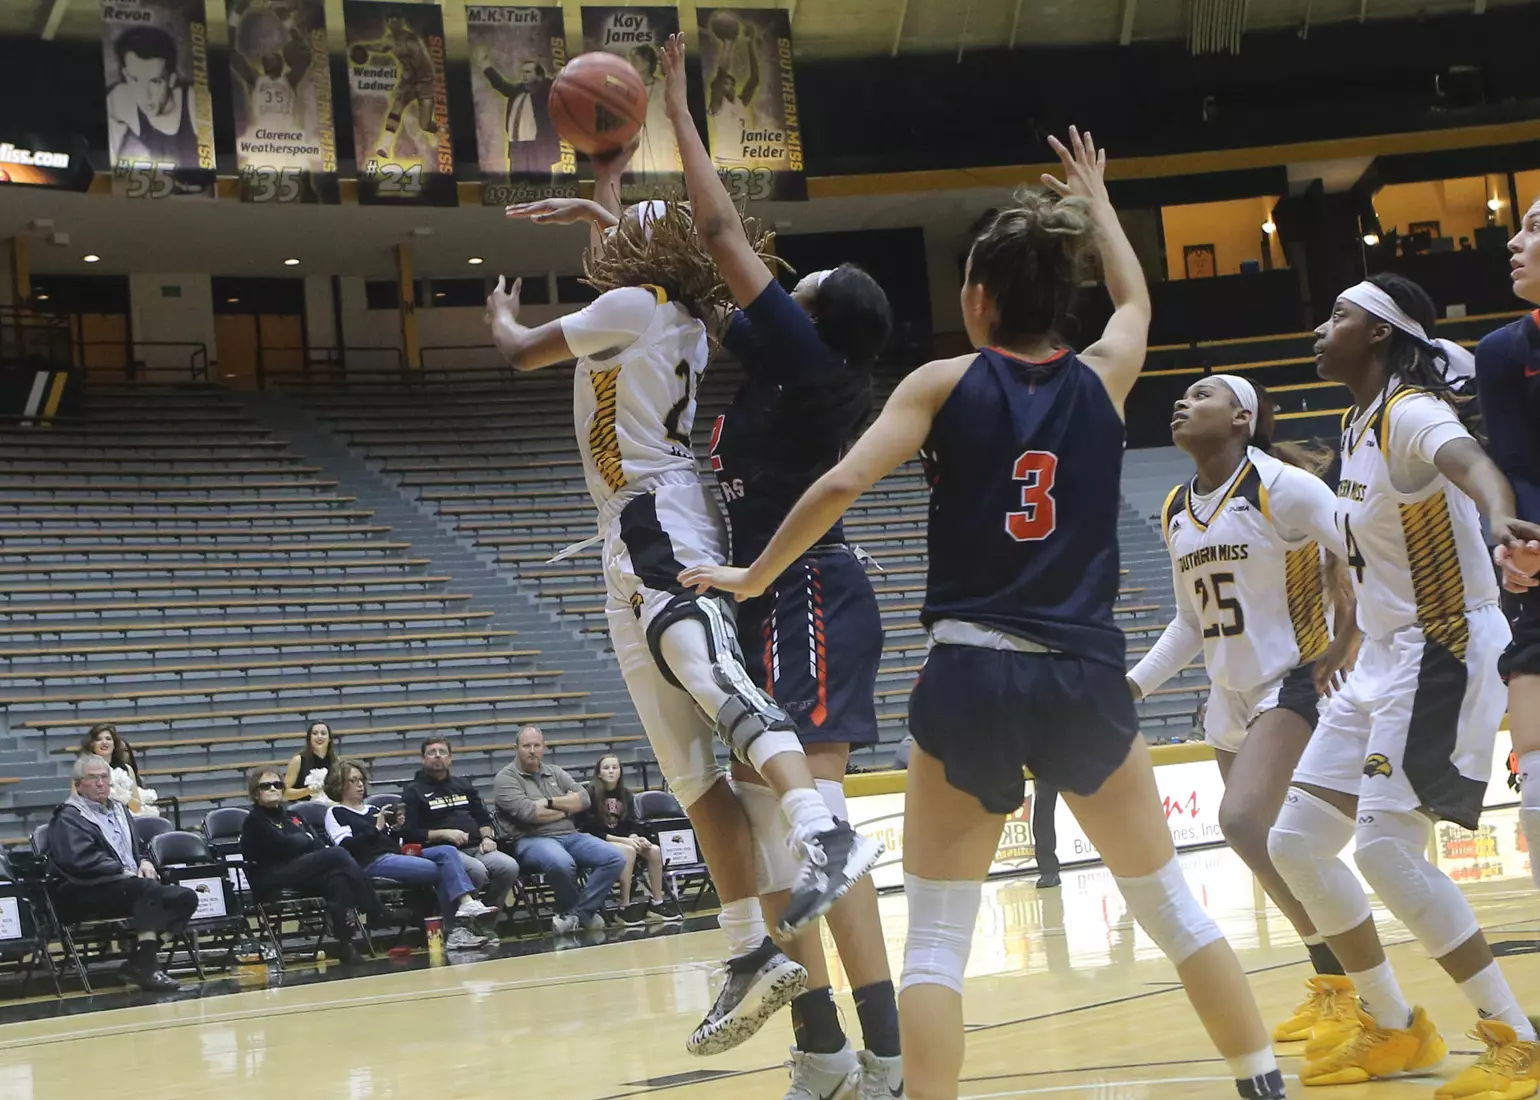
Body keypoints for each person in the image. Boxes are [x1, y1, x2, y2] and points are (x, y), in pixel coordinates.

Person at [683, 127, 1290, 1100]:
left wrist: (755, 573)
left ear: (976, 298)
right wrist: (1097, 197)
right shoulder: (1105, 377)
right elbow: (1136, 300)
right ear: (1061, 299)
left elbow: (839, 480)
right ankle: (1261, 1080)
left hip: (969, 668)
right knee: (1171, 904)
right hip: (1083, 675)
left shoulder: (941, 381)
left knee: (934, 937)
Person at [493, 130, 879, 1054]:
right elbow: (661, 252)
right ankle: (751, 950)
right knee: (687, 767)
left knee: (712, 683)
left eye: (622, 236)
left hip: (663, 515)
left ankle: (820, 830)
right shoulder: (680, 313)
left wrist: (499, 319)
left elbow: (524, 349)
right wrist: (607, 193)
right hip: (628, 529)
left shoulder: (651, 305)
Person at [660, 35, 904, 1099]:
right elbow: (691, 284)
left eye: (795, 291)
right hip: (772, 591)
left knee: (820, 839)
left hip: (806, 587)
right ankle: (828, 1054)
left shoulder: (808, 362)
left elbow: (716, 230)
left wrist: (673, 102)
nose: (778, 296)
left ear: (817, 324)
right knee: (780, 833)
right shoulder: (775, 360)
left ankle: (887, 1062)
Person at [1264, 273, 1540, 1094]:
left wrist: (1498, 513)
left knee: (1385, 850)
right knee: (1294, 845)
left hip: (1444, 646)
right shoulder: (1352, 428)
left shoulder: (1409, 413)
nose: (1322, 326)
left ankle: (1516, 1040)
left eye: (1340, 315)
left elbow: (1472, 463)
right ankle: (1393, 1028)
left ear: (1381, 333)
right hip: (1383, 657)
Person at [1126, 372, 1364, 1041]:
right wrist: (1133, 686)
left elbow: (1361, 550)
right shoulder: (1177, 506)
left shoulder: (1281, 487)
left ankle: (1358, 988)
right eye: (1183, 397)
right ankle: (1337, 986)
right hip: (1227, 695)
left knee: (1241, 821)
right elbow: (1187, 624)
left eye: (1203, 395)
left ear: (1242, 417)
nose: (1183, 402)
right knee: (1270, 851)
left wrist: (1350, 635)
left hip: (1294, 680)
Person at [1476, 195, 1540, 892]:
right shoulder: (1501, 352)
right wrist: (1524, 545)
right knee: (1538, 790)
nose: (1513, 242)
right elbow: (1518, 467)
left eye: (1535, 228)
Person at [46, 754, 196, 992]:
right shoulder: (69, 816)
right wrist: (124, 871)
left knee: (185, 898)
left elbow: (135, 847)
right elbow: (79, 861)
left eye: (104, 777)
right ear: (78, 785)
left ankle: (139, 961)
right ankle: (149, 969)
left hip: (124, 887)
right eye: (93, 778)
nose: (100, 783)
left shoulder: (119, 810)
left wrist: (145, 860)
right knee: (147, 889)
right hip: (83, 890)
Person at [239, 768, 411, 966]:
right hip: (271, 876)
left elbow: (316, 843)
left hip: (301, 870)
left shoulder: (292, 816)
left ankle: (345, 945)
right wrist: (303, 840)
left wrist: (302, 841)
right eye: (265, 785)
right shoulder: (254, 822)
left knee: (337, 879)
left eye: (277, 784)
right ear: (255, 792)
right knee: (337, 854)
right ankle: (376, 910)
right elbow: (285, 845)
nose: (272, 788)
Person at [323, 760, 498, 950]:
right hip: (371, 862)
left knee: (447, 852)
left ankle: (465, 905)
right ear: (339, 785)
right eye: (352, 780)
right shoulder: (336, 812)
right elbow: (346, 847)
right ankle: (455, 930)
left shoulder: (373, 810)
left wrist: (397, 828)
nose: (359, 784)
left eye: (361, 780)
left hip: (396, 855)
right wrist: (377, 828)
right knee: (441, 870)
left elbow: (392, 841)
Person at [492, 726, 625, 933]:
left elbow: (584, 799)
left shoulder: (555, 771)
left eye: (537, 745)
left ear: (544, 747)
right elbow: (528, 814)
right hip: (531, 839)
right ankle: (578, 912)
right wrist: (566, 809)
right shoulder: (505, 778)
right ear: (516, 748)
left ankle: (578, 914)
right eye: (527, 746)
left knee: (615, 857)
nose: (532, 750)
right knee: (561, 862)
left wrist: (548, 802)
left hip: (570, 835)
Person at [400, 738, 520, 915]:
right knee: (477, 871)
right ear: (424, 759)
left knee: (509, 867)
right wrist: (444, 834)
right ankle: (462, 922)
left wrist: (487, 837)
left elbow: (482, 817)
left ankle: (485, 918)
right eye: (432, 753)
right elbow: (411, 833)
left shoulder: (463, 785)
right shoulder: (413, 791)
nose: (437, 756)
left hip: (476, 846)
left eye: (442, 752)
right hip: (443, 851)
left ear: (450, 758)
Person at [577, 753, 677, 924]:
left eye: (615, 768)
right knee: (629, 851)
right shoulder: (590, 794)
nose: (611, 772)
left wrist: (636, 837)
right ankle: (624, 907)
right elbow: (591, 830)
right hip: (599, 842)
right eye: (606, 768)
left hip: (624, 840)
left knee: (653, 850)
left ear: (620, 772)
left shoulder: (626, 795)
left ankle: (657, 902)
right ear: (599, 773)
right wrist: (627, 841)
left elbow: (631, 824)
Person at [105, 26, 197, 167]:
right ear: (125, 74)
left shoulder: (195, 105)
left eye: (155, 81)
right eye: (135, 79)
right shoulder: (120, 99)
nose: (144, 95)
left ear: (171, 79)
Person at [476, 53, 558, 176]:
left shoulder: (544, 90)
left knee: (541, 182)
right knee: (519, 182)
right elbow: (500, 85)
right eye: (523, 72)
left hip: (537, 145)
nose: (524, 75)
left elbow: (552, 83)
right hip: (517, 145)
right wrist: (486, 65)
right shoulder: (518, 90)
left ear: (539, 76)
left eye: (528, 72)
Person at [80, 724, 159, 819]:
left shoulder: (127, 769)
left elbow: (137, 807)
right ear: (91, 745)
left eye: (108, 739)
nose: (104, 742)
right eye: (98, 739)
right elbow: (78, 804)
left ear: (114, 745)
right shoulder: (82, 769)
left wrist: (120, 795)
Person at [282, 721, 338, 803]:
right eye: (315, 733)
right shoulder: (298, 760)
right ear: (309, 738)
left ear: (329, 739)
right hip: (304, 808)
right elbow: (285, 793)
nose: (319, 737)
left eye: (323, 733)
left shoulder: (336, 761)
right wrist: (309, 791)